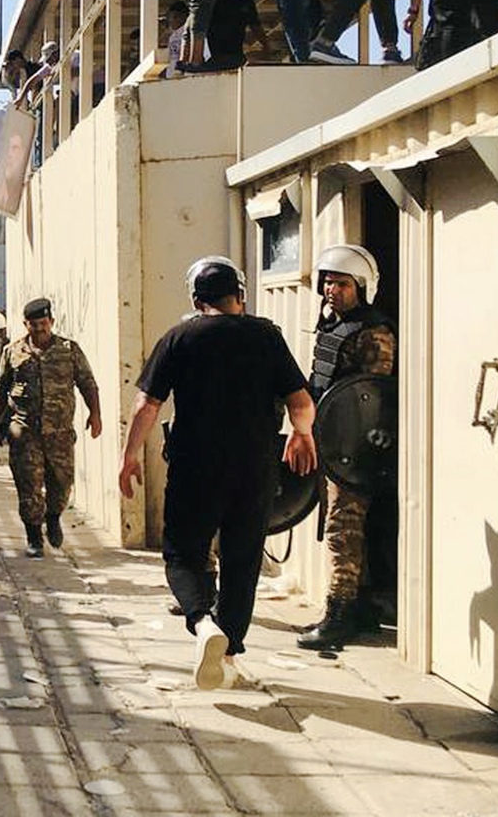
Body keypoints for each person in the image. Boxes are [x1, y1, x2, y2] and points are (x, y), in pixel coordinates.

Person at [118, 257, 318, 689]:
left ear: (195, 298)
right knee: (243, 559)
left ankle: (201, 621)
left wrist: (129, 455)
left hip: (196, 467)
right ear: (239, 297)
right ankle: (228, 651)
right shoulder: (267, 336)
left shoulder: (179, 337)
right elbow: (300, 401)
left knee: (183, 554)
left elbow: (147, 405)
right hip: (255, 468)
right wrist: (303, 435)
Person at [296, 245, 396, 652]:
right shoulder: (334, 326)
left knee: (343, 530)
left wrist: (353, 451)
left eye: (340, 282)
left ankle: (340, 614)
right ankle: (362, 607)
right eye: (327, 281)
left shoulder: (373, 333)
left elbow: (372, 398)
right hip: (331, 442)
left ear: (362, 287)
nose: (330, 289)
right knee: (344, 528)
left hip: (355, 451)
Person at [0, 298, 102, 558]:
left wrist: (95, 414)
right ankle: (34, 537)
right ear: (25, 324)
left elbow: (88, 383)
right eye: (34, 325)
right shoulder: (12, 351)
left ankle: (53, 517)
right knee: (28, 486)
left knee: (61, 484)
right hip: (24, 431)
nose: (39, 329)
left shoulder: (68, 349)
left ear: (51, 322)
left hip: (60, 432)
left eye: (44, 323)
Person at [202, 0, 265, 72]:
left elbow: (256, 26)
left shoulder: (245, 1)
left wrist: (266, 46)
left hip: (235, 55)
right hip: (211, 56)